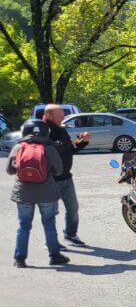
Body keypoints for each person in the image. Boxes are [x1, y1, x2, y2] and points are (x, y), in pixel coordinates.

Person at [7, 119, 67, 267]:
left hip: (23, 193)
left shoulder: (18, 147)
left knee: (23, 225)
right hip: (47, 193)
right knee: (49, 223)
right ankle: (55, 256)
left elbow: (9, 170)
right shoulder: (49, 148)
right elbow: (59, 170)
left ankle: (19, 259)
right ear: (46, 132)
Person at [42, 104, 89, 247]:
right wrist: (65, 141)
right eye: (59, 115)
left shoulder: (61, 129)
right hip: (50, 179)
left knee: (72, 208)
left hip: (66, 177)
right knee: (51, 213)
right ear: (49, 116)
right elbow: (50, 150)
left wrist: (82, 142)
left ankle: (70, 235)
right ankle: (50, 241)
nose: (63, 117)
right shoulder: (43, 129)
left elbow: (70, 149)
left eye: (63, 114)